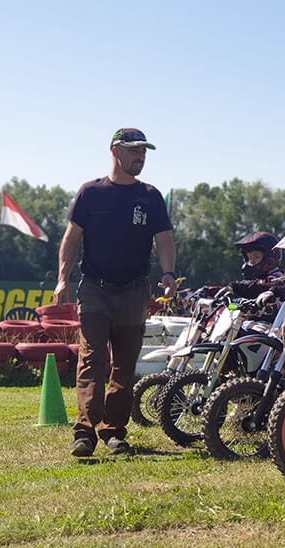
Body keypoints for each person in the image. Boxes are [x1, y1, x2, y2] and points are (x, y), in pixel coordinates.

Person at [54, 128, 176, 458]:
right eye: (134, 150)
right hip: (95, 289)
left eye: (144, 151)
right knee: (92, 357)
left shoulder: (150, 196)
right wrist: (62, 279)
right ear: (115, 151)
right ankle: (84, 431)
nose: (141, 156)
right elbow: (71, 239)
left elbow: (164, 240)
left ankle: (114, 431)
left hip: (134, 291)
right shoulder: (90, 192)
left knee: (123, 365)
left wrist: (168, 273)